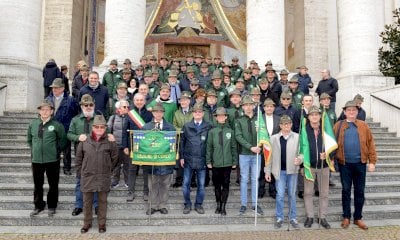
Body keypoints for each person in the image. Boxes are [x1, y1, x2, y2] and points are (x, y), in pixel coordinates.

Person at [334, 100, 377, 230]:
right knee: (346, 190)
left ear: (357, 112)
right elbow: (332, 144)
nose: (351, 112)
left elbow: (371, 144)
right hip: (345, 164)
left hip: (360, 164)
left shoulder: (364, 125)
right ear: (345, 112)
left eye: (353, 110)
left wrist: (372, 162)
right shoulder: (338, 125)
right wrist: (331, 159)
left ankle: (358, 218)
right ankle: (346, 216)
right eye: (349, 110)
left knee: (360, 191)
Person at [76, 114, 118, 234]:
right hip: (88, 176)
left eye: (102, 127)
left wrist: (108, 170)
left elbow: (115, 158)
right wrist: (81, 173)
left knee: (102, 202)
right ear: (92, 128)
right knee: (87, 202)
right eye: (97, 127)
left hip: (103, 176)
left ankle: (101, 224)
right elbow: (78, 159)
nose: (99, 129)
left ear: (105, 128)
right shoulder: (85, 141)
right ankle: (86, 223)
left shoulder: (110, 141)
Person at [27, 99, 66, 217]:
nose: (44, 112)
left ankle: (52, 205)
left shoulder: (57, 125)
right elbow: (29, 140)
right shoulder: (33, 124)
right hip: (37, 160)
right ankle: (38, 205)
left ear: (51, 111)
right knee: (37, 184)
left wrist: (56, 151)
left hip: (52, 160)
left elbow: (63, 140)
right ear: (39, 111)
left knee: (53, 184)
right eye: (42, 109)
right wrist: (35, 150)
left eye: (47, 110)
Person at [265, 115, 302, 229]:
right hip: (279, 171)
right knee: (280, 195)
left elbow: (302, 152)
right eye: (284, 124)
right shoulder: (273, 138)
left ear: (291, 124)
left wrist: (300, 159)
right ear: (280, 125)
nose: (286, 126)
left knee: (292, 195)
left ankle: (293, 218)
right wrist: (267, 171)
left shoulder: (297, 137)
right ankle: (279, 217)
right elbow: (268, 157)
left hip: (293, 171)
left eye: (288, 123)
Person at [143, 103, 176, 215]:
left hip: (166, 161)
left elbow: (174, 144)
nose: (158, 114)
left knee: (165, 184)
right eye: (156, 111)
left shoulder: (170, 127)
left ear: (163, 113)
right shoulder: (146, 127)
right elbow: (143, 145)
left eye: (160, 112)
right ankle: (152, 205)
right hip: (152, 162)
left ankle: (162, 205)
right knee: (152, 184)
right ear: (152, 113)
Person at [180, 103, 212, 214]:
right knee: (186, 184)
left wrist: (209, 159)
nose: (197, 114)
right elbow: (182, 142)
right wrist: (181, 157)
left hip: (202, 160)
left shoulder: (208, 126)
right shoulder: (187, 126)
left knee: (201, 185)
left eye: (200, 112)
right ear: (192, 113)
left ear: (203, 113)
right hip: (188, 159)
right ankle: (187, 204)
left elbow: (210, 144)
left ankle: (198, 204)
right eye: (195, 112)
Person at [303, 106, 331, 229]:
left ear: (320, 116)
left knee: (324, 193)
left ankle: (322, 217)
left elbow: (334, 146)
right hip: (309, 166)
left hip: (323, 166)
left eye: (316, 114)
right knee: (308, 192)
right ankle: (310, 216)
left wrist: (328, 154)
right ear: (308, 117)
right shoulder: (303, 130)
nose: (314, 116)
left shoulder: (326, 129)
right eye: (312, 114)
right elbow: (300, 148)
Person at [235, 95, 264, 215]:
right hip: (245, 154)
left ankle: (254, 204)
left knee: (255, 179)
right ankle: (243, 204)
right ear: (242, 107)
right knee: (244, 179)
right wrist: (250, 147)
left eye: (249, 105)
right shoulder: (239, 120)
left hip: (257, 154)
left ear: (253, 106)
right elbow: (238, 136)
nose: (247, 107)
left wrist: (259, 143)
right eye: (245, 105)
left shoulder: (259, 119)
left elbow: (264, 135)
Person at [206, 107, 237, 215]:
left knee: (226, 185)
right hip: (216, 163)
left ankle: (224, 206)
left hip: (227, 163)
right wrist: (208, 161)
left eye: (223, 116)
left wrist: (234, 161)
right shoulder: (212, 132)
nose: (221, 117)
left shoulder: (230, 131)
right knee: (217, 185)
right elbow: (209, 147)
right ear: (216, 118)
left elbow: (233, 147)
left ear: (226, 117)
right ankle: (218, 204)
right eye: (219, 116)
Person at [45, 78, 80, 175]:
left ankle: (67, 168)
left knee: (66, 151)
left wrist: (72, 127)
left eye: (56, 88)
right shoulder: (48, 100)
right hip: (51, 129)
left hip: (65, 129)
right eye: (53, 88)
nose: (54, 90)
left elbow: (76, 114)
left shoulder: (70, 100)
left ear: (62, 88)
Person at [123, 93, 153, 202]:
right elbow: (124, 131)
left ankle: (146, 192)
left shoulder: (150, 115)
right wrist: (125, 146)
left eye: (141, 100)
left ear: (145, 101)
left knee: (146, 170)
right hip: (133, 146)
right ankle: (130, 192)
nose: (139, 102)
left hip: (145, 147)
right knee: (132, 170)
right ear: (134, 102)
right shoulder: (129, 114)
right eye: (137, 100)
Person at [258, 98, 280, 199]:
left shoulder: (278, 118)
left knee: (273, 169)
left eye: (271, 106)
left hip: (275, 148)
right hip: (263, 148)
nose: (269, 108)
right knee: (262, 170)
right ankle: (261, 190)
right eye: (267, 106)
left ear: (274, 108)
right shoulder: (259, 118)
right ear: (264, 108)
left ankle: (272, 190)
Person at [172, 91, 193, 188]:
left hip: (192, 139)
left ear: (189, 101)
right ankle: (179, 179)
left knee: (191, 158)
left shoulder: (193, 112)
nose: (183, 102)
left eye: (185, 100)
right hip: (180, 138)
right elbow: (174, 125)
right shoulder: (177, 113)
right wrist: (183, 130)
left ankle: (192, 180)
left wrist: (188, 131)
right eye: (181, 100)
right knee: (180, 158)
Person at [109, 100, 130, 189]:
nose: (126, 108)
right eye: (124, 107)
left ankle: (128, 181)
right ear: (119, 108)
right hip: (116, 145)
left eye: (127, 107)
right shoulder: (113, 118)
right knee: (116, 164)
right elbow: (108, 129)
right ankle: (115, 181)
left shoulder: (130, 118)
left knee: (127, 164)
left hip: (126, 146)